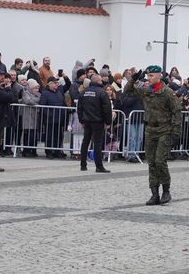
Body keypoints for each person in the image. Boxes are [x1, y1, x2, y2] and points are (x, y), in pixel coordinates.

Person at [124, 66, 181, 205]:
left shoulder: (167, 92)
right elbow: (127, 91)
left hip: (164, 130)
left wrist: (176, 132)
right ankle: (154, 193)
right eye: (148, 76)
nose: (148, 78)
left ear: (159, 76)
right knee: (152, 162)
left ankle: (166, 190)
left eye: (151, 76)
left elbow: (176, 111)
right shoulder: (146, 91)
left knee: (160, 161)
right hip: (150, 130)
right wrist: (134, 78)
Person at [77, 74, 112, 173]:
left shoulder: (83, 92)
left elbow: (79, 108)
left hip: (87, 121)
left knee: (85, 142)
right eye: (101, 80)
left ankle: (83, 165)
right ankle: (99, 166)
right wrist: (108, 121)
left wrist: (81, 120)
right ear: (98, 81)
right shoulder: (102, 93)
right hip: (98, 121)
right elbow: (107, 109)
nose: (102, 82)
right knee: (97, 144)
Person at [39, 76, 70, 159]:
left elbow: (63, 104)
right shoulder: (45, 93)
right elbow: (42, 106)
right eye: (55, 83)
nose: (57, 84)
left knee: (58, 136)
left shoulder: (59, 92)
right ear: (50, 84)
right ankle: (49, 152)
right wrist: (50, 115)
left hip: (59, 119)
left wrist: (65, 112)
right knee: (49, 136)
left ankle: (57, 151)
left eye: (57, 82)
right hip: (49, 120)